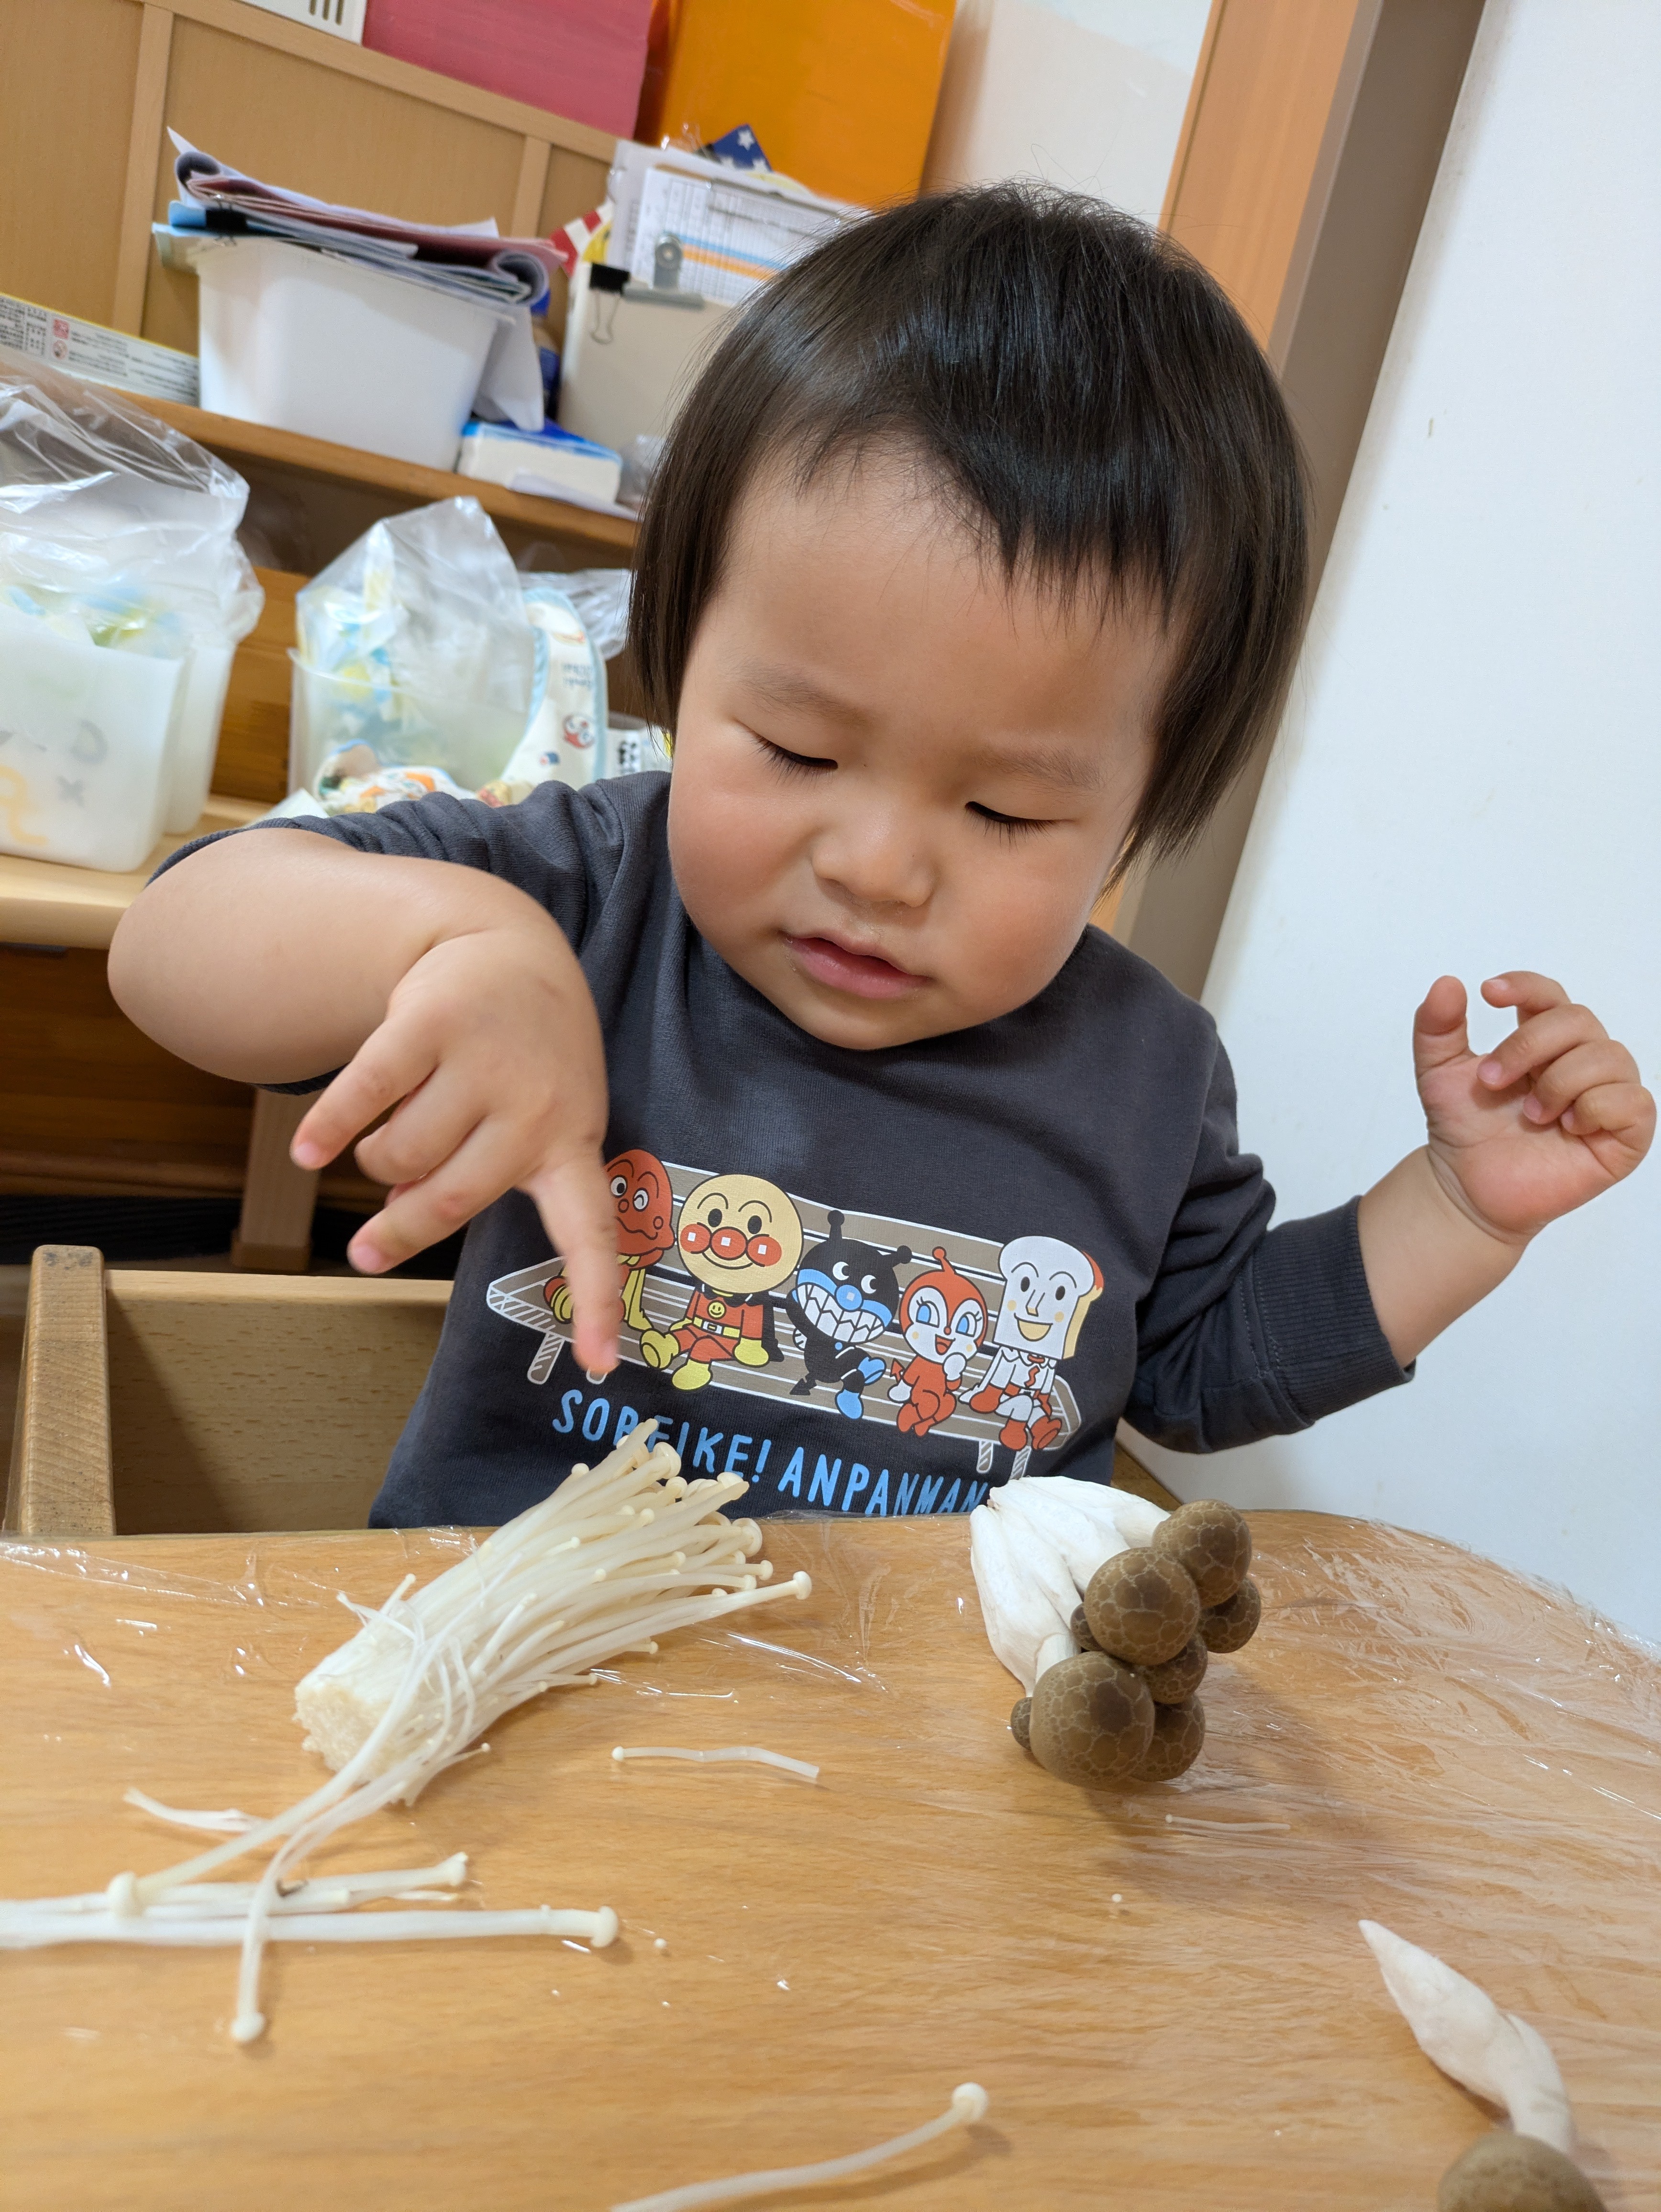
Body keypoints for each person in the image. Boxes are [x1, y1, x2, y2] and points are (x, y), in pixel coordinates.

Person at [109, 188, 1653, 1528]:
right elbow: (176, 942)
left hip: (925, 1771)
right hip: (519, 1687)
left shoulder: (1144, 1071)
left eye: (1007, 815)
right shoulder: (590, 899)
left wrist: (1458, 1209)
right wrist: (453, 947)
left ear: (1143, 807)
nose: (881, 865)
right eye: (795, 750)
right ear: (673, 661)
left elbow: (1196, 1367)